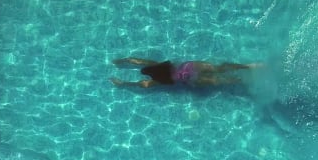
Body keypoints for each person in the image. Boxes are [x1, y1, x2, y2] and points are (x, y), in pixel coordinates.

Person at [110, 57, 260, 88]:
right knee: (218, 68)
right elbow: (137, 61)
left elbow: (143, 84)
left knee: (217, 81)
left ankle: (244, 81)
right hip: (190, 67)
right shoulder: (154, 64)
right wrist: (122, 60)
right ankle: (249, 67)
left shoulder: (156, 81)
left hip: (189, 80)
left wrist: (123, 83)